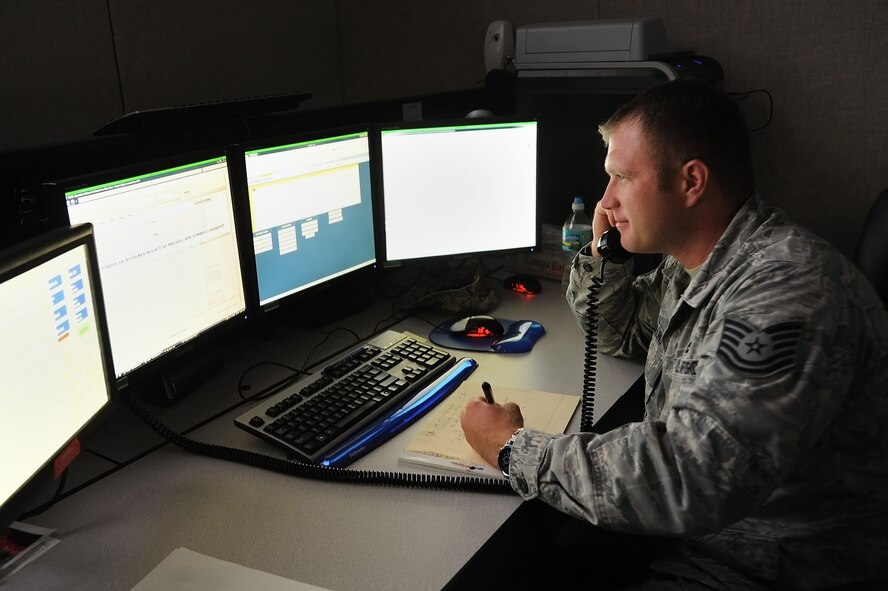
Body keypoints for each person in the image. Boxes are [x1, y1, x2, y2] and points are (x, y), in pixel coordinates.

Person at [460, 79, 888, 589]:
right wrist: (605, 256)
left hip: (766, 565)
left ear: (691, 182)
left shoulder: (787, 291)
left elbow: (694, 476)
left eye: (621, 177)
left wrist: (512, 449)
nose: (607, 199)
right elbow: (620, 336)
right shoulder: (696, 264)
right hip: (704, 539)